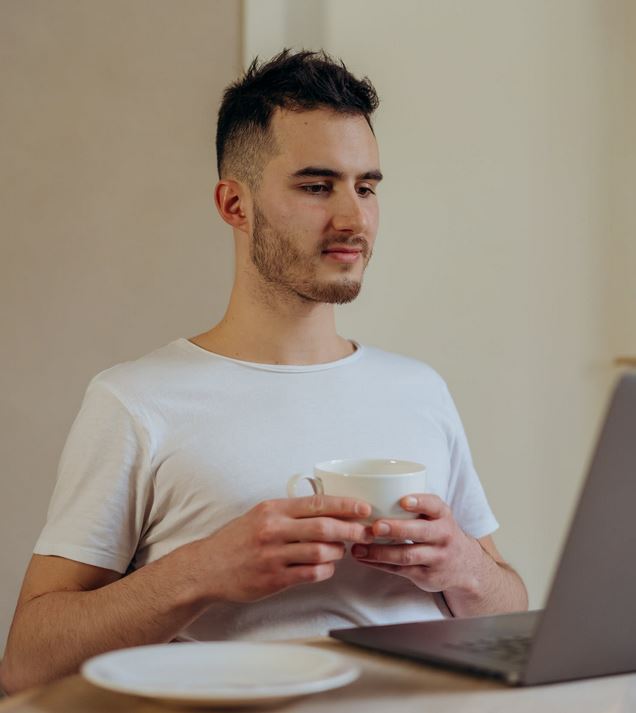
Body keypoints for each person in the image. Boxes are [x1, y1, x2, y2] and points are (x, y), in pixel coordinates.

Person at [0, 48, 527, 695]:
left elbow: (513, 608)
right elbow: (26, 661)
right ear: (234, 204)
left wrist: (463, 565)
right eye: (316, 185)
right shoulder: (134, 401)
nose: (353, 218)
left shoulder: (420, 389)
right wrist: (201, 571)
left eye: (366, 186)